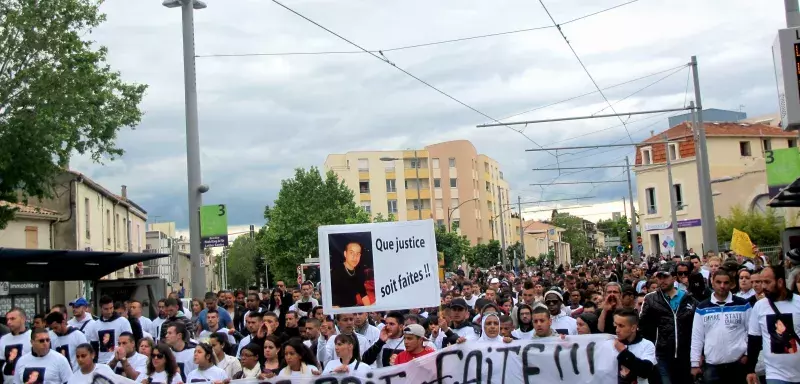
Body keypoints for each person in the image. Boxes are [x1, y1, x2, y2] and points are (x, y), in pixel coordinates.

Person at [640, 262, 697, 384]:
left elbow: (697, 329)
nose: (662, 280)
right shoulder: (651, 299)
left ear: (674, 278)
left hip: (685, 354)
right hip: (661, 354)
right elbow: (643, 326)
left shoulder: (689, 299)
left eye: (665, 277)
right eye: (659, 277)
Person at [690, 269, 750, 384]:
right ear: (712, 282)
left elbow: (751, 332)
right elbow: (697, 337)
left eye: (726, 283)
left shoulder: (743, 305)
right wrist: (694, 363)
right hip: (712, 366)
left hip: (738, 364)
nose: (722, 286)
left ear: (731, 284)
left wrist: (747, 354)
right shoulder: (702, 307)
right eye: (718, 282)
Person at [746, 265, 800, 384]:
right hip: (775, 374)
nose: (763, 286)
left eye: (767, 282)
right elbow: (754, 340)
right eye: (761, 282)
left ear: (780, 282)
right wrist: (750, 369)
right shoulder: (759, 306)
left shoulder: (798, 303)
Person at [612, 308, 656, 384]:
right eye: (615, 325)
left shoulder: (647, 345)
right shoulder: (611, 343)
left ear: (633, 328)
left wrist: (623, 352)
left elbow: (645, 371)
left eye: (621, 326)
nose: (617, 330)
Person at [85, 295, 133, 364]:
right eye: (106, 309)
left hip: (119, 361)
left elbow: (129, 343)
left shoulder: (123, 321)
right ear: (101, 308)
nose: (109, 311)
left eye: (111, 308)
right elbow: (94, 346)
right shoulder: (95, 325)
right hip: (102, 362)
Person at [330, 241, 373, 308]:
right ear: (345, 254)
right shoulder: (336, 272)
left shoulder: (359, 272)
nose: (355, 257)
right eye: (351, 253)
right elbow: (335, 297)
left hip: (354, 308)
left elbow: (363, 294)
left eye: (358, 254)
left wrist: (370, 309)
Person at [1, 308, 32, 383]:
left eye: (12, 319)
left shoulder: (33, 336)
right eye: (7, 319)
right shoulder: (4, 339)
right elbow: (1, 361)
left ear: (23, 319)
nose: (8, 322)